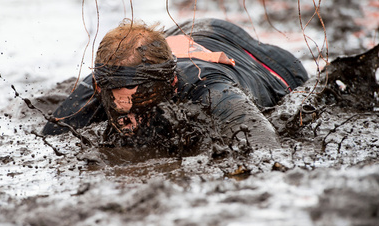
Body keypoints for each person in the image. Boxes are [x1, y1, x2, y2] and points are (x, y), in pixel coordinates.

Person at [41, 18, 308, 151]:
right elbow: (50, 139)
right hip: (185, 31)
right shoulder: (103, 81)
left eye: (140, 97)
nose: (125, 110)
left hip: (272, 64)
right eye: (114, 97)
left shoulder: (208, 89)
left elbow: (265, 147)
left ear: (172, 81)